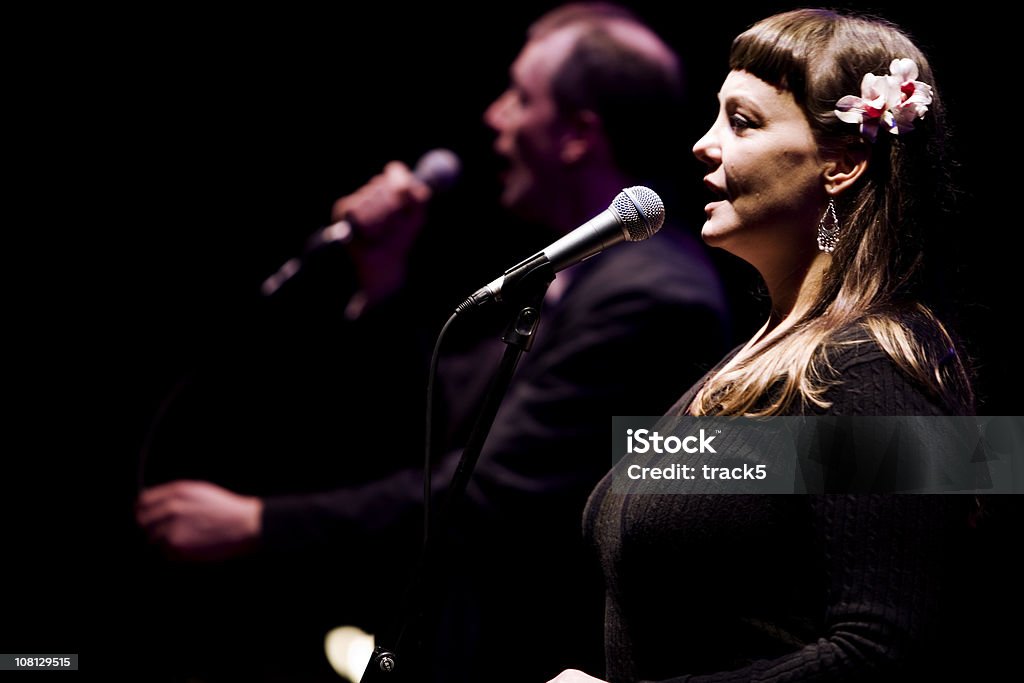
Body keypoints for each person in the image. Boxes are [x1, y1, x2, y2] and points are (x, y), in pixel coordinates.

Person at [135, 3, 731, 682]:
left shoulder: (652, 294)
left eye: (520, 96)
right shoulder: (575, 274)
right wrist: (383, 278)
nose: (494, 116)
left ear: (576, 134)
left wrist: (258, 522)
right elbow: (440, 416)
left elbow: (486, 489)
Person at [547, 8, 996, 683]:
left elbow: (886, 653)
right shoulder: (759, 357)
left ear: (842, 163)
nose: (703, 144)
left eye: (742, 121)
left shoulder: (884, 367)